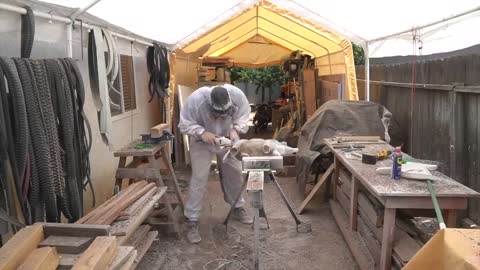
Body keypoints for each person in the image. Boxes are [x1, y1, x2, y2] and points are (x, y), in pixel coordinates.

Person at [178, 84, 252, 244]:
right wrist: (201, 132)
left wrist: (235, 130)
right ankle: (192, 220)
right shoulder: (196, 99)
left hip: (227, 139)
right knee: (199, 177)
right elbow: (184, 124)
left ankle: (237, 207)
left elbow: (244, 115)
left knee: (235, 172)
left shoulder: (237, 95)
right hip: (202, 141)